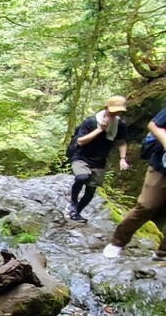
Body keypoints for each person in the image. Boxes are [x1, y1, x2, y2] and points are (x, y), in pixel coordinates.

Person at [102, 105, 166, 260]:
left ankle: (162, 253)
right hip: (162, 168)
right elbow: (153, 125)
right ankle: (118, 242)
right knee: (146, 206)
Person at [67, 95, 129, 222]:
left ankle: (76, 213)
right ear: (106, 108)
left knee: (90, 191)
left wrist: (122, 158)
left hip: (99, 162)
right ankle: (73, 203)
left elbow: (122, 142)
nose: (115, 114)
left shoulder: (120, 125)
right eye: (113, 111)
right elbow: (80, 141)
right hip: (81, 157)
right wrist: (100, 129)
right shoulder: (90, 122)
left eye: (118, 112)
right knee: (82, 177)